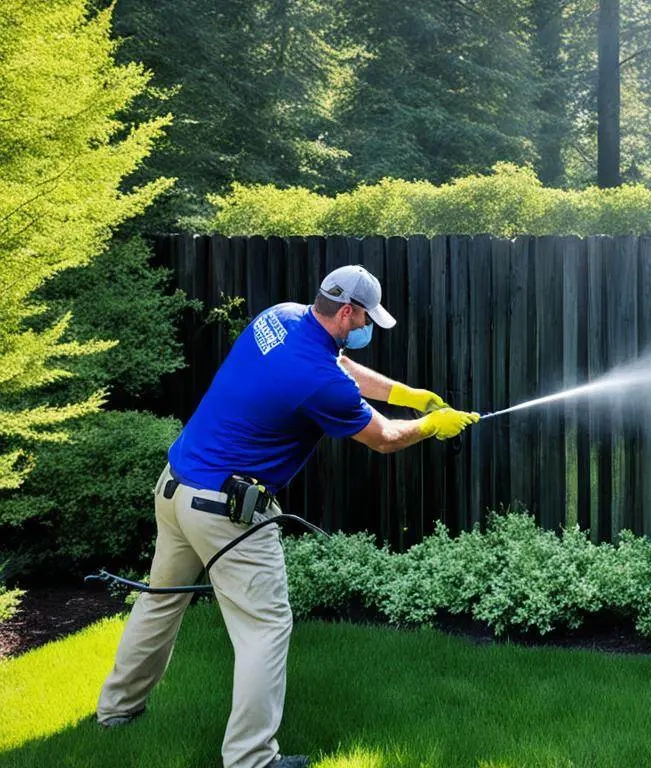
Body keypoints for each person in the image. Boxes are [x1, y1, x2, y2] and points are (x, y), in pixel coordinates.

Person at [96, 265, 479, 768]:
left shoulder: (280, 317)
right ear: (347, 312)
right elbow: (384, 438)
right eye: (366, 318)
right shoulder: (318, 382)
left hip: (176, 487)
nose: (368, 327)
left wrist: (406, 395)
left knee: (161, 600)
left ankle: (117, 710)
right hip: (223, 511)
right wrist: (430, 425)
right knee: (266, 627)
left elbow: (342, 364)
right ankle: (251, 759)